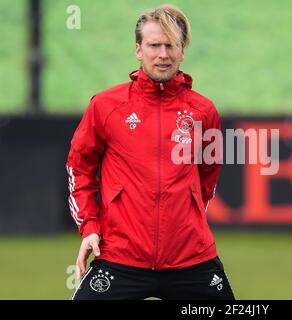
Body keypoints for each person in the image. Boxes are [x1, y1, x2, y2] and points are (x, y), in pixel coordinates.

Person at [66, 4, 234, 300]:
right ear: (138, 49)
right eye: (154, 45)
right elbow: (79, 168)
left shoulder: (203, 111)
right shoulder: (106, 106)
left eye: (171, 45)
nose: (163, 54)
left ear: (182, 51)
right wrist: (90, 227)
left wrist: (188, 217)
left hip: (191, 259)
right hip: (120, 257)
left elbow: (208, 176)